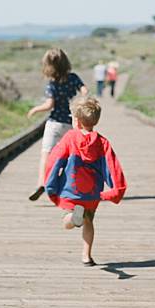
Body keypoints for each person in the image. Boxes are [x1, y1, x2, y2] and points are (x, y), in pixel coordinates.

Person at [43, 96, 126, 265]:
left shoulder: (70, 137)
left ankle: (73, 217)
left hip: (71, 190)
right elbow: (112, 166)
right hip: (92, 193)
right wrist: (115, 189)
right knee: (89, 222)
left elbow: (55, 160)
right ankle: (86, 256)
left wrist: (51, 185)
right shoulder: (102, 142)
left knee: (67, 221)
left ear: (77, 121)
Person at [26, 48, 87, 201]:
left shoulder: (52, 84)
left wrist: (35, 109)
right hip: (70, 124)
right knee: (69, 157)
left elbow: (49, 105)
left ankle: (41, 183)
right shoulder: (73, 78)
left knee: (46, 154)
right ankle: (69, 186)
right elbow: (84, 90)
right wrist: (82, 101)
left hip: (54, 124)